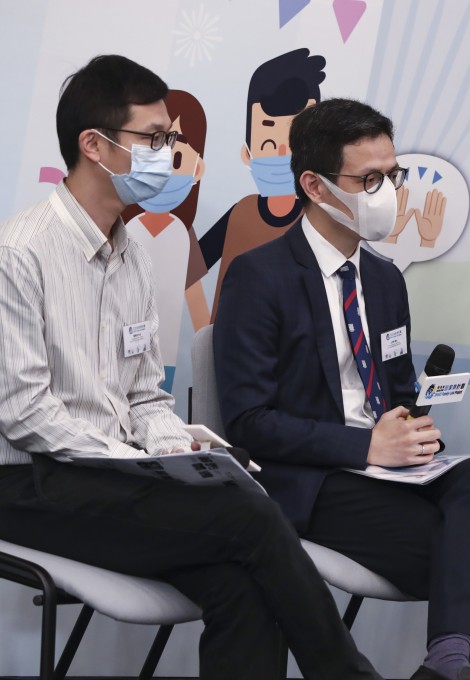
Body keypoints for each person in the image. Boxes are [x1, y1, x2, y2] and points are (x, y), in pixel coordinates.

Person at [0, 55, 381, 680]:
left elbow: (146, 397)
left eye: (171, 138)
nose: (169, 153)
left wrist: (178, 451)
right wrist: (136, 465)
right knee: (248, 517)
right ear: (94, 146)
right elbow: (25, 416)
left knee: (240, 580)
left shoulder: (137, 260)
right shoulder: (20, 253)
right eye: (153, 139)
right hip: (29, 483)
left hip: (113, 480)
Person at [214, 98, 470, 680]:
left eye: (392, 176)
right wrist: (366, 448)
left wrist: (410, 429)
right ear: (316, 186)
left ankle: (445, 662)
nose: (388, 193)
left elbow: (397, 387)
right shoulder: (260, 275)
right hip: (314, 479)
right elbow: (249, 421)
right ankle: (452, 662)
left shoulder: (382, 279)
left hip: (391, 476)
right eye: (370, 179)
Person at [198, 48, 325, 321]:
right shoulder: (240, 214)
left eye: (293, 145)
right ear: (248, 153)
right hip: (229, 347)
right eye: (268, 144)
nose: (281, 152)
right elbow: (190, 267)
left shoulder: (318, 222)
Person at [123, 89, 212, 391]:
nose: (163, 169)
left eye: (175, 158)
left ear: (196, 169)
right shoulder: (124, 228)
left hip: (165, 357)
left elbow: (196, 299)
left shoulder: (182, 235)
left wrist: (211, 356)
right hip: (116, 350)